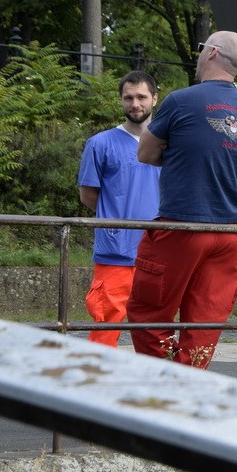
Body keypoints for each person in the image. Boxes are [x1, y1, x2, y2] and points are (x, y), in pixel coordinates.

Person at [127, 31, 237, 368]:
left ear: (212, 53)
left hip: (183, 224)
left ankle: (164, 385)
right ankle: (188, 389)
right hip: (231, 231)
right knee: (204, 323)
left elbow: (145, 153)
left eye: (203, 49)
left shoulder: (181, 100)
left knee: (148, 312)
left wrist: (173, 154)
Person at [77, 71, 161, 347]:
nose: (135, 104)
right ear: (121, 101)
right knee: (105, 324)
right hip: (116, 253)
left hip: (159, 251)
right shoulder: (100, 144)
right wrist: (114, 222)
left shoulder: (168, 144)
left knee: (156, 329)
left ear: (154, 99)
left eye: (141, 97)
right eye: (128, 98)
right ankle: (95, 385)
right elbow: (88, 195)